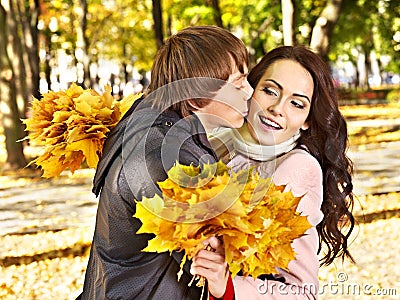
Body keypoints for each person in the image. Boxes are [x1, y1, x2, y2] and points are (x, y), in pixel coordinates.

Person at [77, 25, 253, 299]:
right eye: (239, 83)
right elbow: (218, 252)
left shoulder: (155, 126)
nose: (250, 91)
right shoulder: (164, 156)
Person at [190, 45, 356, 299]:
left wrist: (228, 288)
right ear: (250, 90)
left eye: (297, 104)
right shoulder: (216, 143)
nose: (278, 108)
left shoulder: (296, 168)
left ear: (308, 120)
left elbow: (303, 292)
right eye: (269, 91)